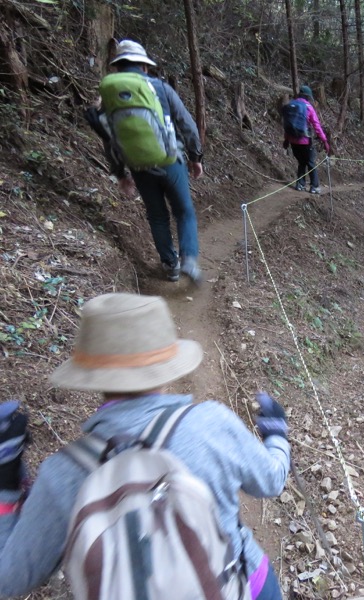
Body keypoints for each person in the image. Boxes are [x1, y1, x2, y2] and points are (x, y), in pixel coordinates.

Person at [0, 293, 290, 599]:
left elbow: (9, 579)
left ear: (91, 374)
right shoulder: (212, 423)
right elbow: (271, 481)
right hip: (243, 586)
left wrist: (6, 478)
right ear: (167, 364)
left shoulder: (62, 474)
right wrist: (276, 434)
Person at [90, 40, 205, 284]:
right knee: (184, 211)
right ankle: (189, 260)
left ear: (118, 67)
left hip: (138, 166)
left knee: (157, 215)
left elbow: (109, 137)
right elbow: (187, 126)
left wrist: (120, 173)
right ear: (144, 66)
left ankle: (170, 264)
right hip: (170, 161)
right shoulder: (160, 88)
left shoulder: (108, 96)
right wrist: (195, 158)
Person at [282, 85, 330, 194]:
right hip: (304, 140)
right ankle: (314, 186)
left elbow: (287, 124)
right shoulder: (308, 107)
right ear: (307, 96)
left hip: (292, 141)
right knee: (311, 162)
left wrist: (286, 140)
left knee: (301, 162)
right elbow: (316, 126)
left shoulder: (290, 105)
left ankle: (300, 184)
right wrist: (325, 141)